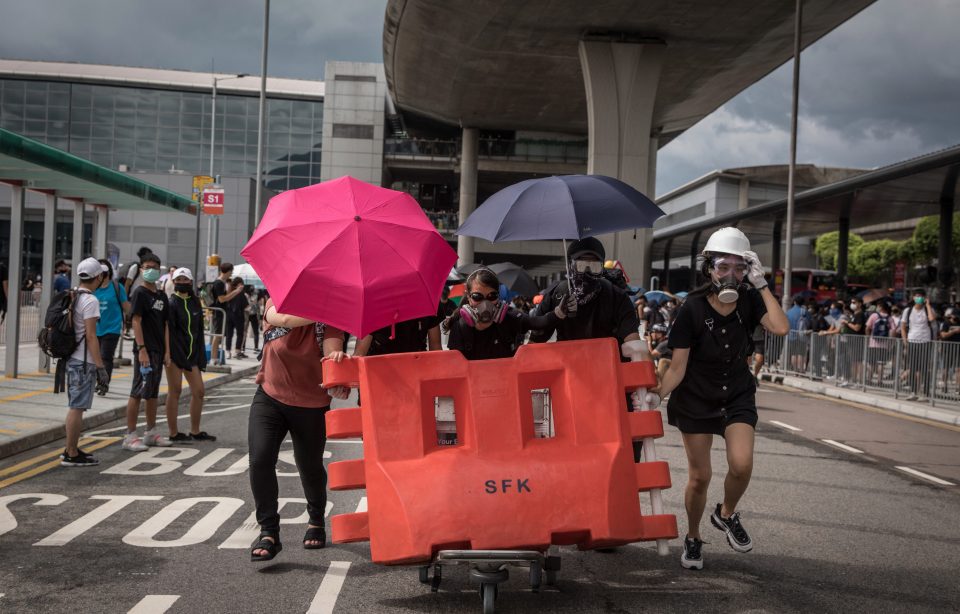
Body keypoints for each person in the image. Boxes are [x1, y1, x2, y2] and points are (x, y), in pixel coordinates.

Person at [653, 227, 788, 570]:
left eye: (739, 268)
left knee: (742, 465)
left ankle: (726, 513)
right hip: (696, 397)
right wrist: (658, 395)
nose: (730, 274)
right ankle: (694, 536)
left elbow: (780, 327)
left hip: (737, 395)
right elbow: (678, 366)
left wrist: (761, 284)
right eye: (722, 267)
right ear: (708, 268)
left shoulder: (750, 298)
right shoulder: (691, 309)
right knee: (700, 477)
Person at [248, 298, 349, 562]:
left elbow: (331, 350)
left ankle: (316, 519)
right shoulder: (277, 300)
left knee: (309, 465)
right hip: (269, 395)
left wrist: (336, 362)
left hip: (311, 403)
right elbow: (281, 319)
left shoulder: (331, 318)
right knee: (260, 459)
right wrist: (320, 310)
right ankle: (268, 531)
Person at [447, 268, 573, 361]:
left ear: (499, 296)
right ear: (468, 298)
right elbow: (455, 370)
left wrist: (559, 313)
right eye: (477, 297)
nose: (485, 304)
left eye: (492, 296)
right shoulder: (460, 327)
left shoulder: (510, 318)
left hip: (506, 387)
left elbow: (538, 322)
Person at [60, 258, 110, 467]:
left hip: (72, 358)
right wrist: (100, 367)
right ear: (98, 277)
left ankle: (71, 448)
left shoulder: (73, 295)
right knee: (77, 407)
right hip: (83, 362)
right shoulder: (91, 301)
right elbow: (91, 337)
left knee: (76, 406)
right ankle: (71, 453)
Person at [122, 253, 171, 451]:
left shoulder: (161, 295)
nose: (150, 270)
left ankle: (150, 432)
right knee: (137, 392)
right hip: (145, 351)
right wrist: (141, 350)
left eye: (154, 267)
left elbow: (166, 324)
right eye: (147, 267)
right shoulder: (140, 293)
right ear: (141, 270)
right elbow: (136, 321)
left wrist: (167, 351)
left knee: (152, 394)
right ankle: (130, 435)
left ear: (159, 270)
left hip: (159, 351)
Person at [165, 268, 216, 443]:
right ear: (174, 281)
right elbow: (168, 332)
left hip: (192, 355)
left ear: (191, 282)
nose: (182, 282)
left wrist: (201, 355)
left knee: (199, 391)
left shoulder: (195, 302)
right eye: (178, 279)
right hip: (174, 356)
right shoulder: (171, 303)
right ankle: (173, 433)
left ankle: (195, 431)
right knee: (175, 391)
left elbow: (200, 332)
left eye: (185, 279)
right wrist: (169, 355)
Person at [93, 259, 130, 394]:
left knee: (105, 357)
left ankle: (103, 384)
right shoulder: (92, 288)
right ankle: (98, 381)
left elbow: (126, 306)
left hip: (112, 328)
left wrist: (136, 318)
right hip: (94, 329)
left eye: (104, 272)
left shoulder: (116, 287)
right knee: (94, 357)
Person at [902, 289, 937, 401]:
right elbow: (903, 326)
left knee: (924, 368)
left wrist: (927, 305)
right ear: (913, 298)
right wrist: (904, 340)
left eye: (921, 296)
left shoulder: (928, 310)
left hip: (925, 341)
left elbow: (932, 319)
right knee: (912, 368)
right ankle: (913, 392)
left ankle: (925, 393)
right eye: (917, 296)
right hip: (912, 341)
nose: (919, 298)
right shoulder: (907, 311)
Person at [209, 262, 245, 365]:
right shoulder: (219, 283)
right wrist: (236, 291)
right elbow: (222, 299)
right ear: (228, 271)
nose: (231, 274)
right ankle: (213, 358)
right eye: (231, 272)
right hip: (218, 312)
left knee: (219, 335)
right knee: (217, 335)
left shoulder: (223, 282)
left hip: (221, 312)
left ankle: (215, 357)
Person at [224, 277, 249, 359]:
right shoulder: (241, 293)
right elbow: (247, 307)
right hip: (238, 316)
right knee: (240, 334)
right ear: (238, 284)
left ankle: (228, 352)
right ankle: (237, 351)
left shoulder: (229, 292)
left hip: (228, 315)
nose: (242, 285)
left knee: (229, 334)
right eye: (241, 283)